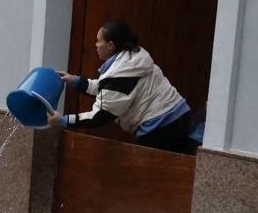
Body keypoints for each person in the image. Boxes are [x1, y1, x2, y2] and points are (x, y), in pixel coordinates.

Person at [57, 20, 203, 153]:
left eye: (98, 41)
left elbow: (99, 117)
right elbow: (109, 90)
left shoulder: (120, 73)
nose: (96, 45)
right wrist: (75, 81)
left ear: (110, 45)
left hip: (160, 129)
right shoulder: (134, 56)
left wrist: (63, 120)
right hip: (180, 116)